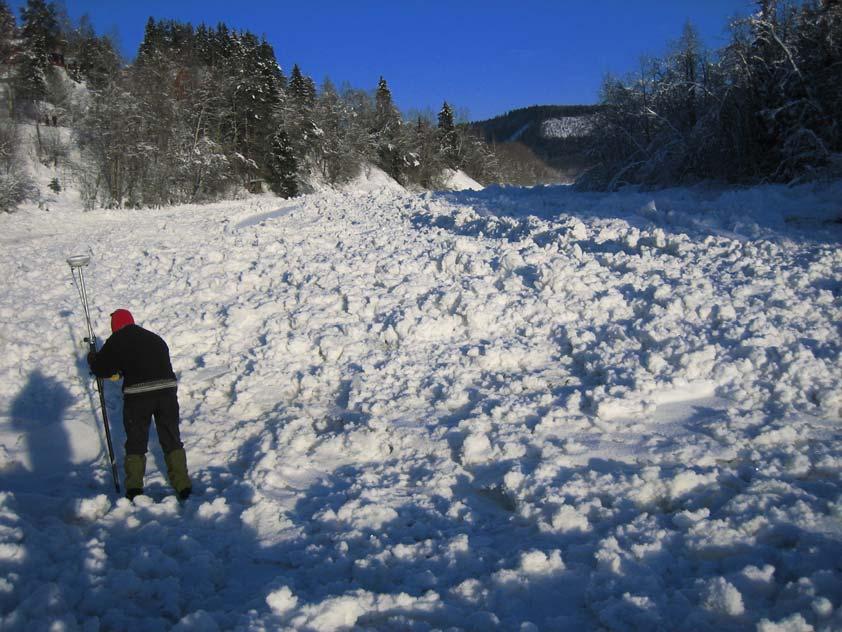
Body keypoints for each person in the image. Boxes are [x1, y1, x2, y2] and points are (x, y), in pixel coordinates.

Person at [87, 309, 192, 501]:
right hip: (167, 391)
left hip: (138, 396)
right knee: (171, 437)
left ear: (115, 327)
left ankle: (134, 489)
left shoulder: (118, 339)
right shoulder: (155, 338)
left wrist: (92, 359)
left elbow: (101, 369)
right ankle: (183, 486)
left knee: (136, 440)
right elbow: (148, 365)